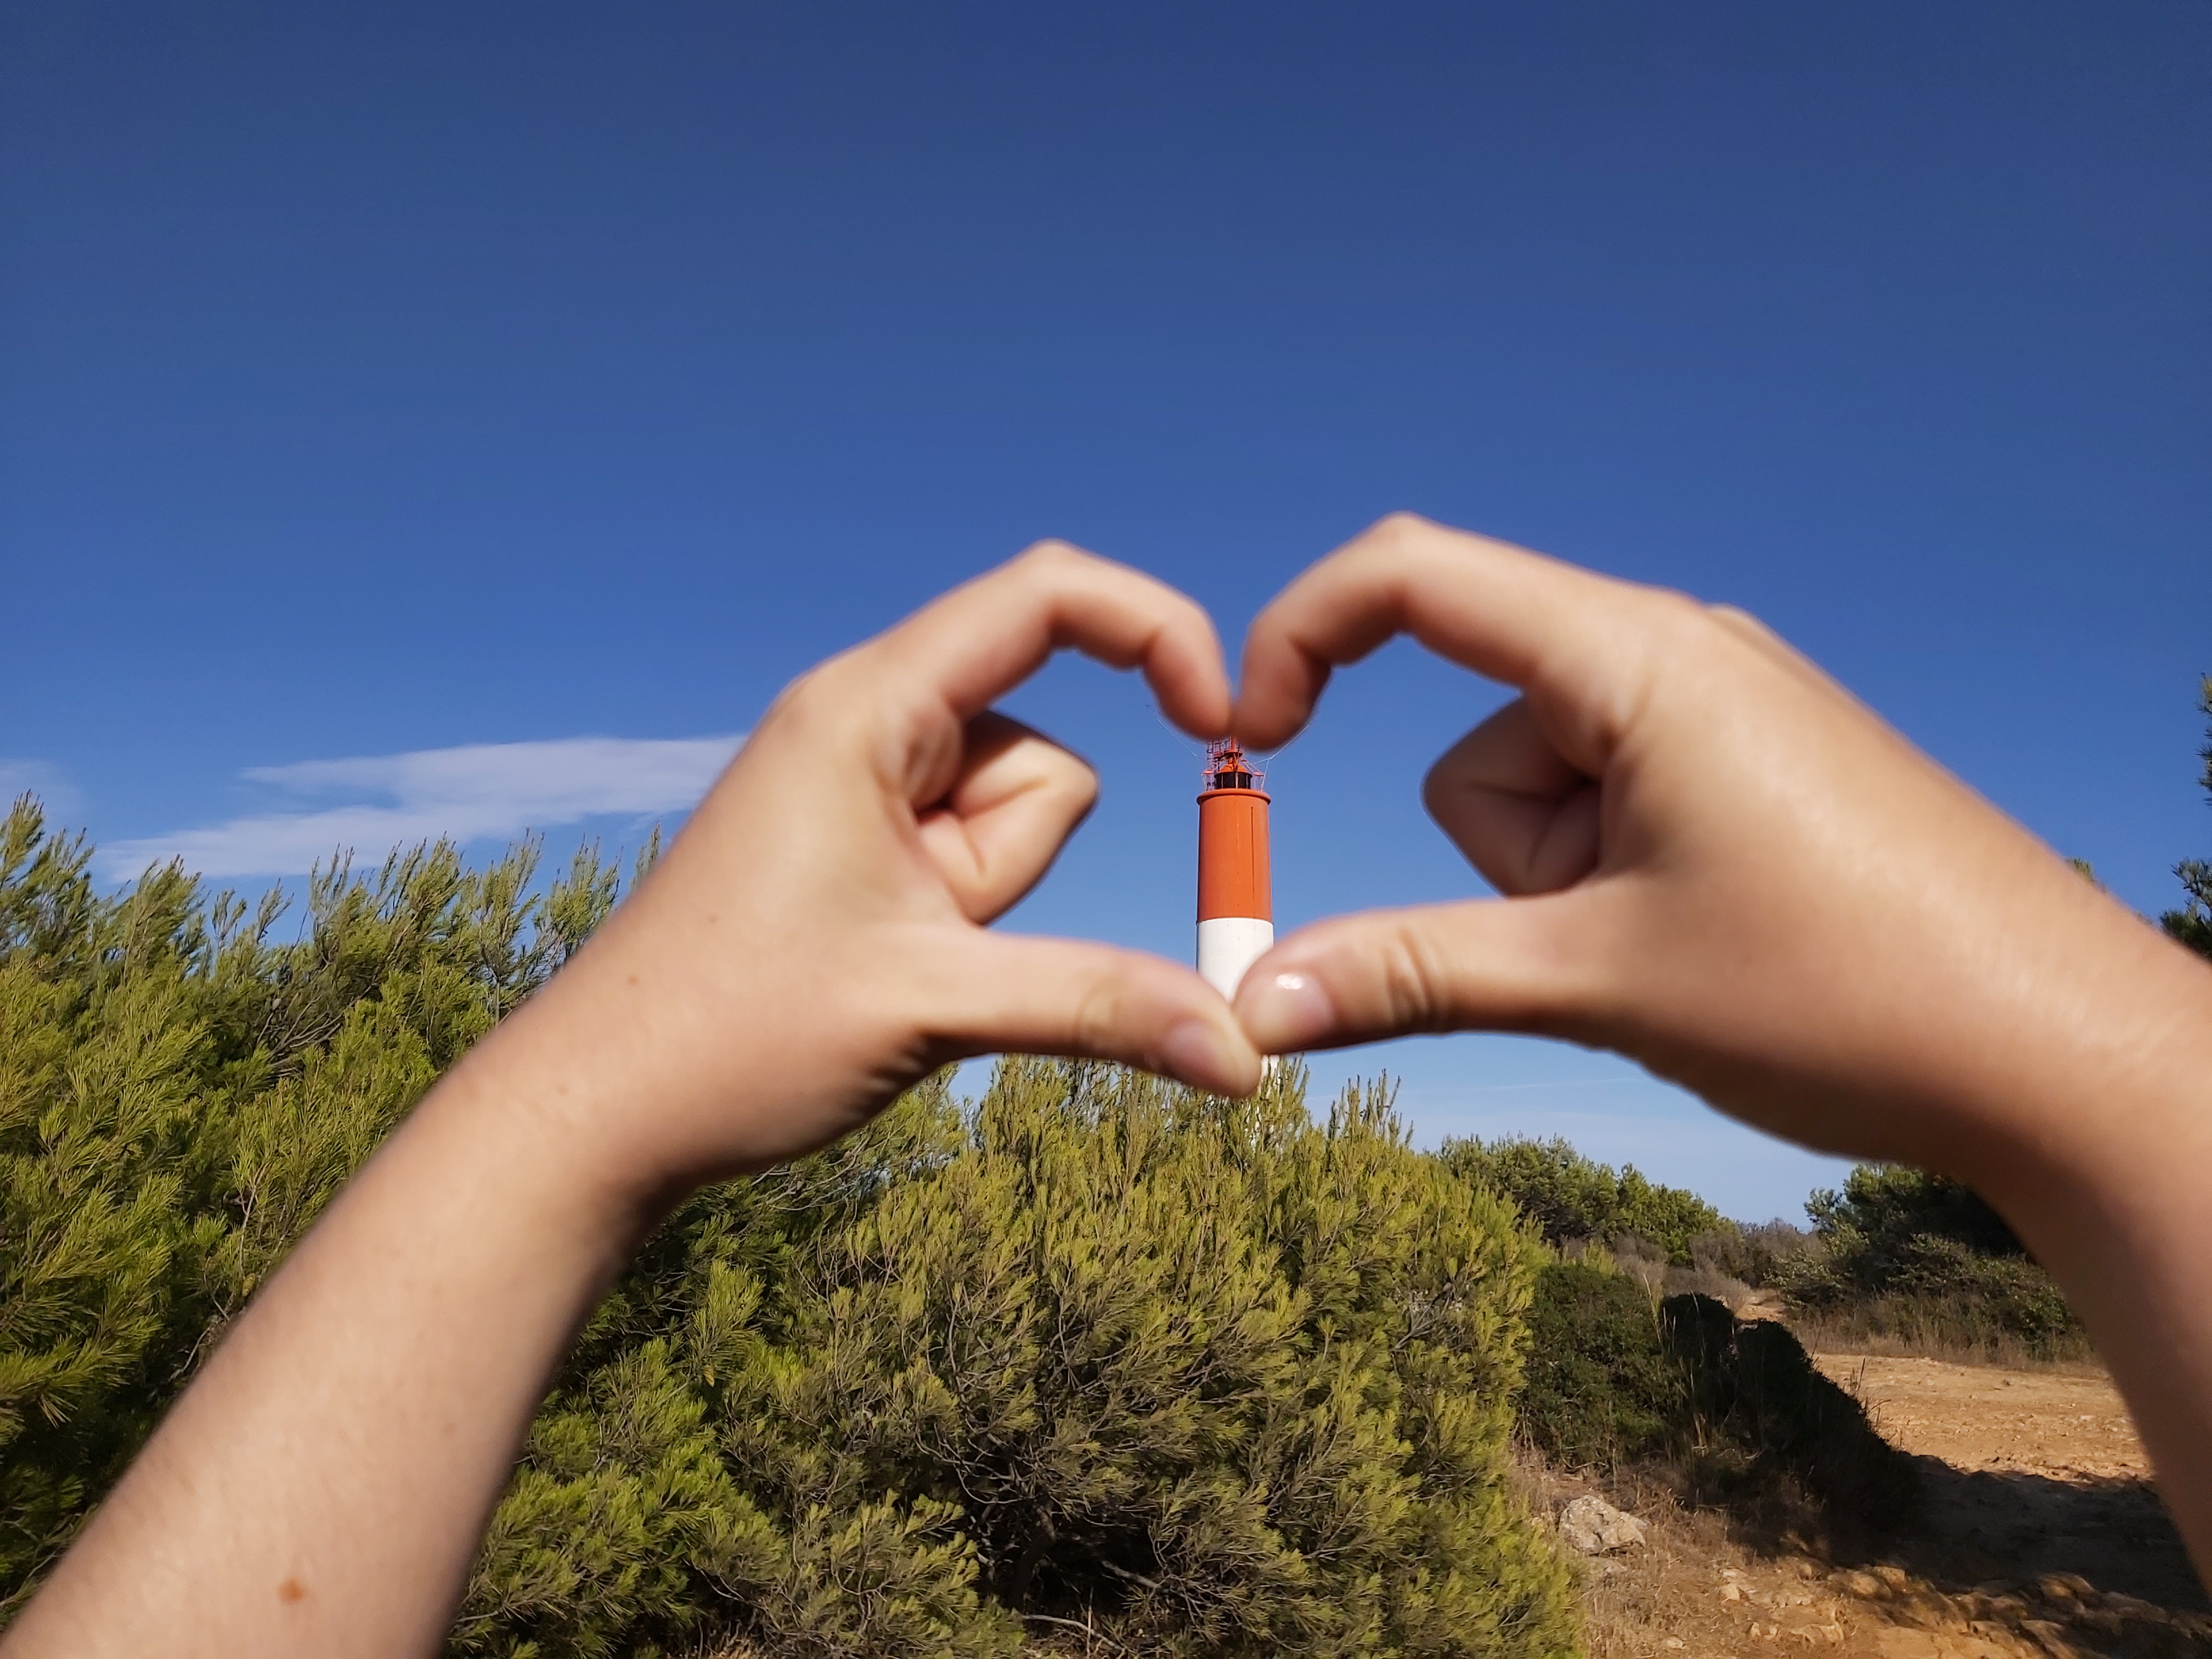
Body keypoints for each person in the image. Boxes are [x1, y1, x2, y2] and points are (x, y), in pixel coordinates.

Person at [6, 516, 2208, 1656]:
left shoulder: (1218, 815)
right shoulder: (1244, 818)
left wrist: (554, 1109)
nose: (1232, 790)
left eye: (1234, 790)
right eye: (1229, 790)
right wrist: (2100, 1066)